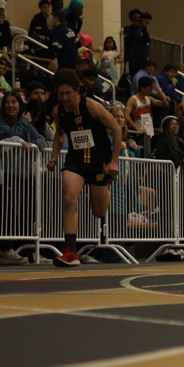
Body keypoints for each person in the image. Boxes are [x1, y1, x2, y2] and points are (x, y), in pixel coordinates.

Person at [46, 68, 122, 267]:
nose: (64, 98)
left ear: (77, 90)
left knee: (99, 212)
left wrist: (114, 161)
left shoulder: (92, 106)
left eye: (68, 93)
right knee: (69, 199)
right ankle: (70, 252)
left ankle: (105, 187)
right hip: (76, 160)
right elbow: (60, 135)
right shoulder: (58, 111)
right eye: (60, 94)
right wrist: (54, 157)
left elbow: (116, 129)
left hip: (99, 160)